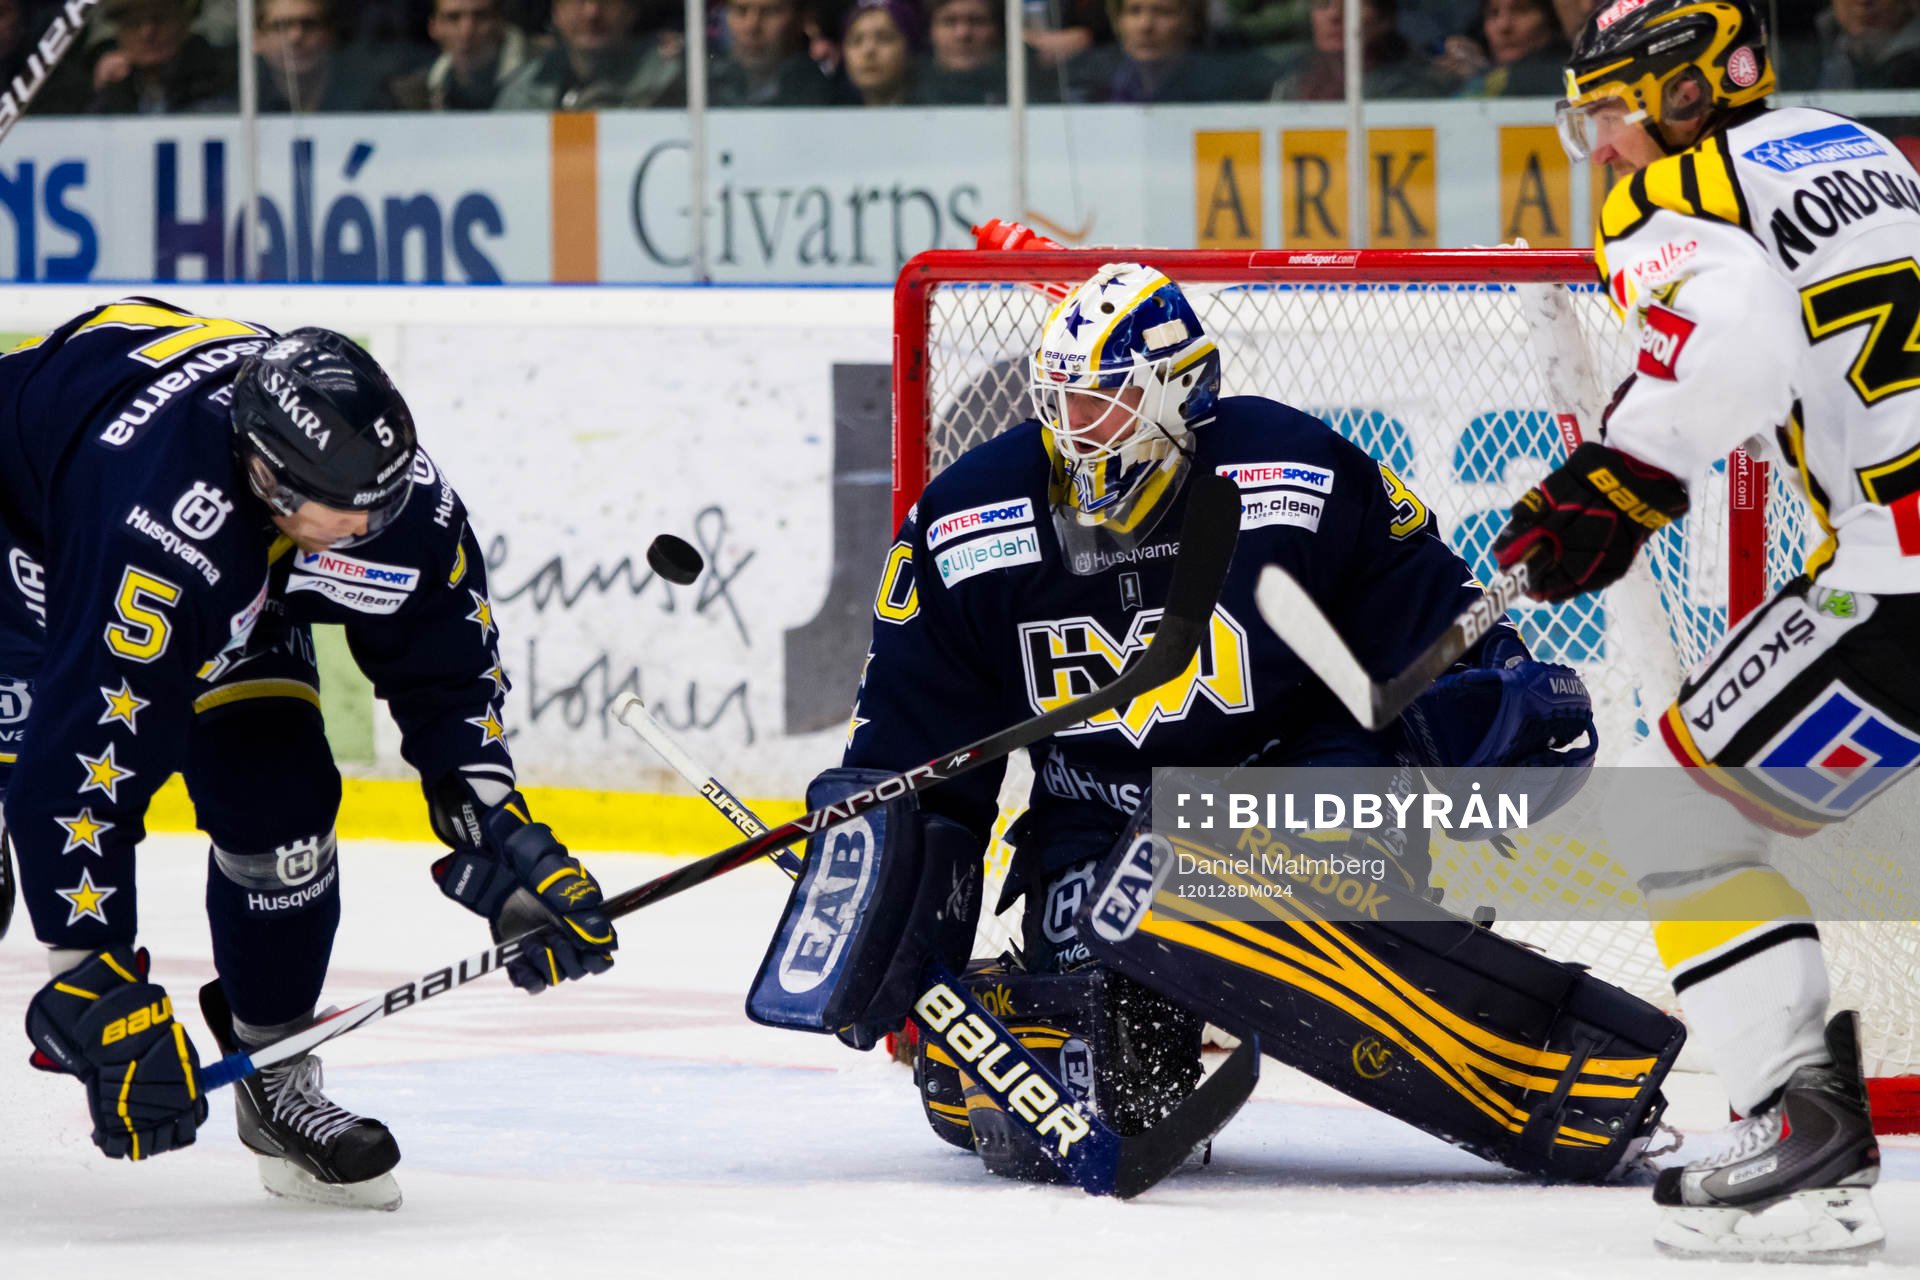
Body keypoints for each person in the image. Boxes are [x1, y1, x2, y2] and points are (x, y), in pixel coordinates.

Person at [743, 257, 1671, 1189]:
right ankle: (1069, 1007)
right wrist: (897, 935)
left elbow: (1429, 626)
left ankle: (1528, 1054)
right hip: (1099, 822)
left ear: (1178, 393)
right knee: (1066, 1073)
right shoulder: (966, 522)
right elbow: (915, 758)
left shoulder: (1295, 469)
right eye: (1059, 402)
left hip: (1293, 784)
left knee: (1281, 896)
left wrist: (1497, 701)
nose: (1073, 431)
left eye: (1101, 402)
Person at [0, 303, 619, 1209]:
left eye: (385, 505)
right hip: (26, 572)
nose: (371, 532)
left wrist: (499, 832)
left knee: (280, 799)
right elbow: (85, 761)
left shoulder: (389, 499)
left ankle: (276, 1066)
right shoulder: (164, 524)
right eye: (346, 518)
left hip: (215, 585)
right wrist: (91, 976)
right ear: (267, 479)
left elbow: (449, 671)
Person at [1494, 0, 1912, 1256]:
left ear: (1681, 96)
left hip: (1903, 572)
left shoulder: (1683, 186)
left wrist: (1617, 472)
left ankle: (1796, 1139)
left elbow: (1730, 340)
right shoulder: (1857, 146)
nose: (1605, 149)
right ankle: (1812, 1156)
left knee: (1680, 809)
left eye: (1611, 115)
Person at [1067, 0, 1275, 102]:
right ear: (1117, 20)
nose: (1146, 25)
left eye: (1163, 12)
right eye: (1134, 11)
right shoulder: (1091, 83)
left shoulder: (1227, 87)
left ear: (1191, 21)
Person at [495, 0, 685, 110]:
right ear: (556, 11)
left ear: (631, 9)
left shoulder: (674, 80)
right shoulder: (524, 91)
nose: (592, 12)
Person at [1273, 0, 1451, 100]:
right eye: (1323, 3)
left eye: (1352, 5)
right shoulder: (1289, 88)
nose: (1334, 15)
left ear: (1386, 19)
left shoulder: (1407, 88)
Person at [88, 0, 238, 114]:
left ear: (185, 21)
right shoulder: (114, 91)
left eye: (159, 19)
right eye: (133, 23)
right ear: (118, 34)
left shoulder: (226, 76)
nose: (147, 33)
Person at [255, 0, 396, 111]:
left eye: (309, 24)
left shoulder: (371, 99)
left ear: (330, 34)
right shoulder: (241, 103)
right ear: (257, 39)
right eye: (281, 26)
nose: (296, 36)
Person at [390, 0, 533, 110]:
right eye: (453, 18)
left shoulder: (542, 76)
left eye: (480, 16)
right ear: (433, 27)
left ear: (500, 22)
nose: (467, 31)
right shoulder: (416, 92)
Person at [708, 0, 836, 104]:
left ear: (802, 19)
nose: (751, 27)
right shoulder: (702, 87)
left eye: (769, 12)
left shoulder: (828, 98)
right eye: (741, 10)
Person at [1434, 0, 1566, 96]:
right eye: (1493, 13)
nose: (1504, 26)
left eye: (1521, 10)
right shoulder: (1470, 80)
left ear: (1550, 19)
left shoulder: (1572, 79)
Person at [842, 0, 921, 105]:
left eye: (884, 38)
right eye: (856, 40)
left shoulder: (937, 109)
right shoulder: (828, 115)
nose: (868, 50)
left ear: (910, 48)